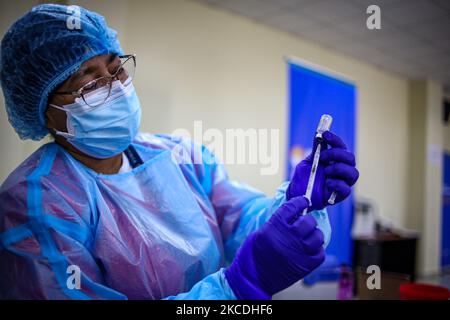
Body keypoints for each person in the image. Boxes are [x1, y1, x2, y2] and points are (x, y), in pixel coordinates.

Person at [0, 4, 359, 300]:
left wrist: (296, 203)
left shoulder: (180, 155)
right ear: (44, 108)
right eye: (91, 83)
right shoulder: (34, 205)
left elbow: (239, 218)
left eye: (116, 69)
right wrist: (238, 287)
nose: (116, 87)